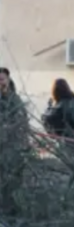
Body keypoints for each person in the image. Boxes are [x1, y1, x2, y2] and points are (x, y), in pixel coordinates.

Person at [0, 67, 29, 211]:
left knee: (14, 180)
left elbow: (23, 121)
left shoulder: (15, 99)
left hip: (15, 147)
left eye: (2, 79)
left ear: (8, 80)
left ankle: (11, 209)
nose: (1, 83)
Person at [42, 79, 74, 144]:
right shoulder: (70, 103)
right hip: (73, 140)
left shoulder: (51, 104)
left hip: (58, 140)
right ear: (67, 88)